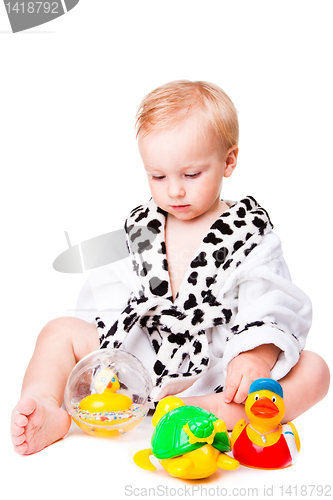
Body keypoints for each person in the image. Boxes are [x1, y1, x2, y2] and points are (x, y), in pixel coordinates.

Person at [11, 80, 330, 456]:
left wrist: (255, 356)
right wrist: (109, 354)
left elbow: (271, 299)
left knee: (315, 369)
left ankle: (217, 412)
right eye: (158, 176)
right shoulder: (143, 226)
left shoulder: (249, 235)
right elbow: (114, 292)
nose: (174, 191)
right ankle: (46, 404)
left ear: (229, 161)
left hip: (218, 368)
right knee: (59, 330)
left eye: (191, 175)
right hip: (141, 359)